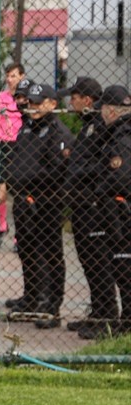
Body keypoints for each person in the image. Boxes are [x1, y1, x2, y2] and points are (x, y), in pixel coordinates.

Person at [5, 83, 71, 327]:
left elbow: (55, 172)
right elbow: (18, 160)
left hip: (46, 203)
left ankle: (51, 306)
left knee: (50, 253)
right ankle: (31, 297)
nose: (31, 107)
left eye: (36, 102)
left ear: (52, 104)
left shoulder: (57, 132)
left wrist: (28, 182)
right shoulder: (28, 127)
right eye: (30, 102)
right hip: (24, 201)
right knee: (27, 250)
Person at [63, 77, 117, 334]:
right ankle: (97, 311)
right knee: (87, 260)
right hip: (81, 204)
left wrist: (81, 172)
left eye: (74, 96)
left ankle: (106, 316)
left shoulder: (102, 125)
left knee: (99, 261)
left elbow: (104, 162)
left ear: (88, 100)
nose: (70, 101)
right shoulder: (88, 125)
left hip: (94, 205)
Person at [89, 84, 131, 339]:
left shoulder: (122, 137)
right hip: (118, 213)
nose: (101, 114)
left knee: (125, 269)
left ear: (112, 110)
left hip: (123, 214)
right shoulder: (116, 134)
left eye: (103, 108)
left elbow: (120, 176)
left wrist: (99, 187)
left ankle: (127, 323)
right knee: (121, 268)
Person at [0, 63, 25, 241]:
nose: (9, 79)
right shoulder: (0, 97)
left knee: (19, 192)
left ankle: (18, 235)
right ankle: (2, 226)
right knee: (1, 191)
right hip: (3, 146)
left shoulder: (26, 98)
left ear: (22, 76)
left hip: (21, 146)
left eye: (13, 75)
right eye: (8, 75)